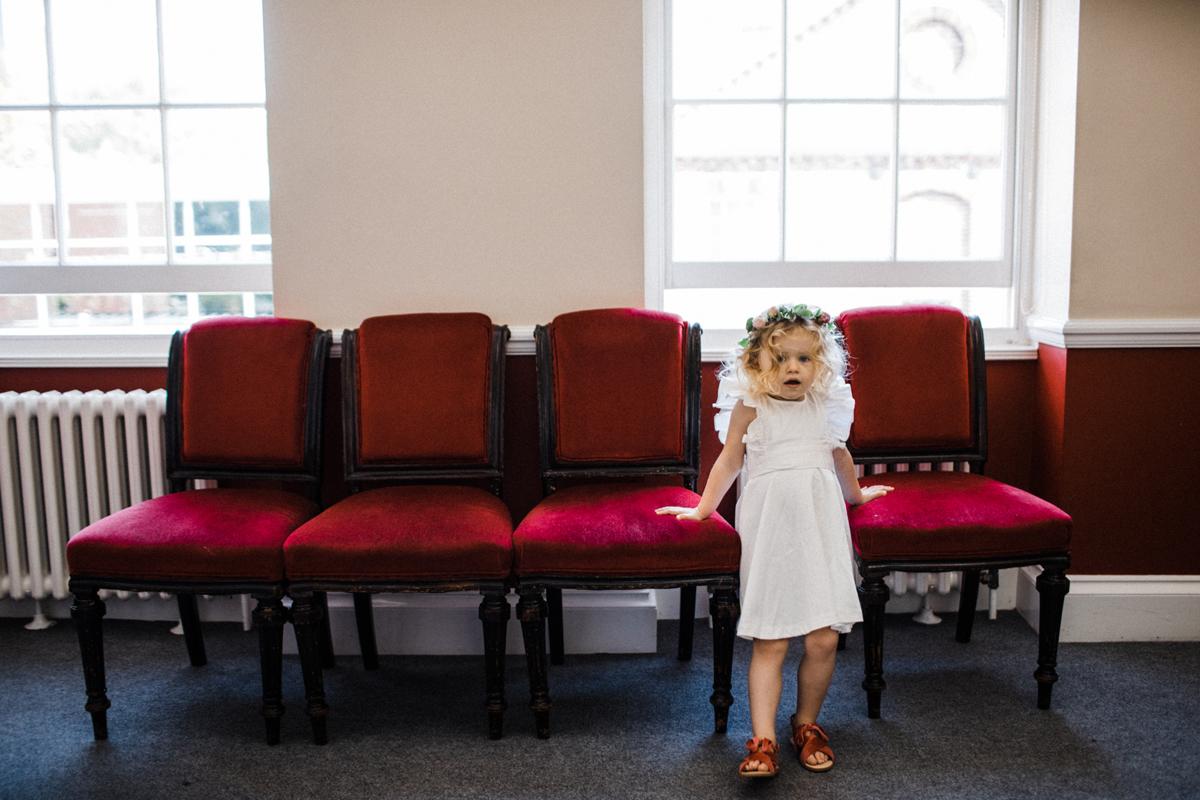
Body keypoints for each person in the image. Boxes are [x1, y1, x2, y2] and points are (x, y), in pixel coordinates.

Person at [656, 303, 892, 778]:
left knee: (823, 639)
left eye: (804, 359)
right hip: (772, 532)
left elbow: (840, 457)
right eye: (781, 358)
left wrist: (859, 496)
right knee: (772, 639)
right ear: (756, 362)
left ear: (820, 364)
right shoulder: (749, 407)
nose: (792, 368)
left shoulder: (826, 406)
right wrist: (703, 508)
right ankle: (762, 739)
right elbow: (728, 462)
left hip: (820, 528)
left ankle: (806, 724)